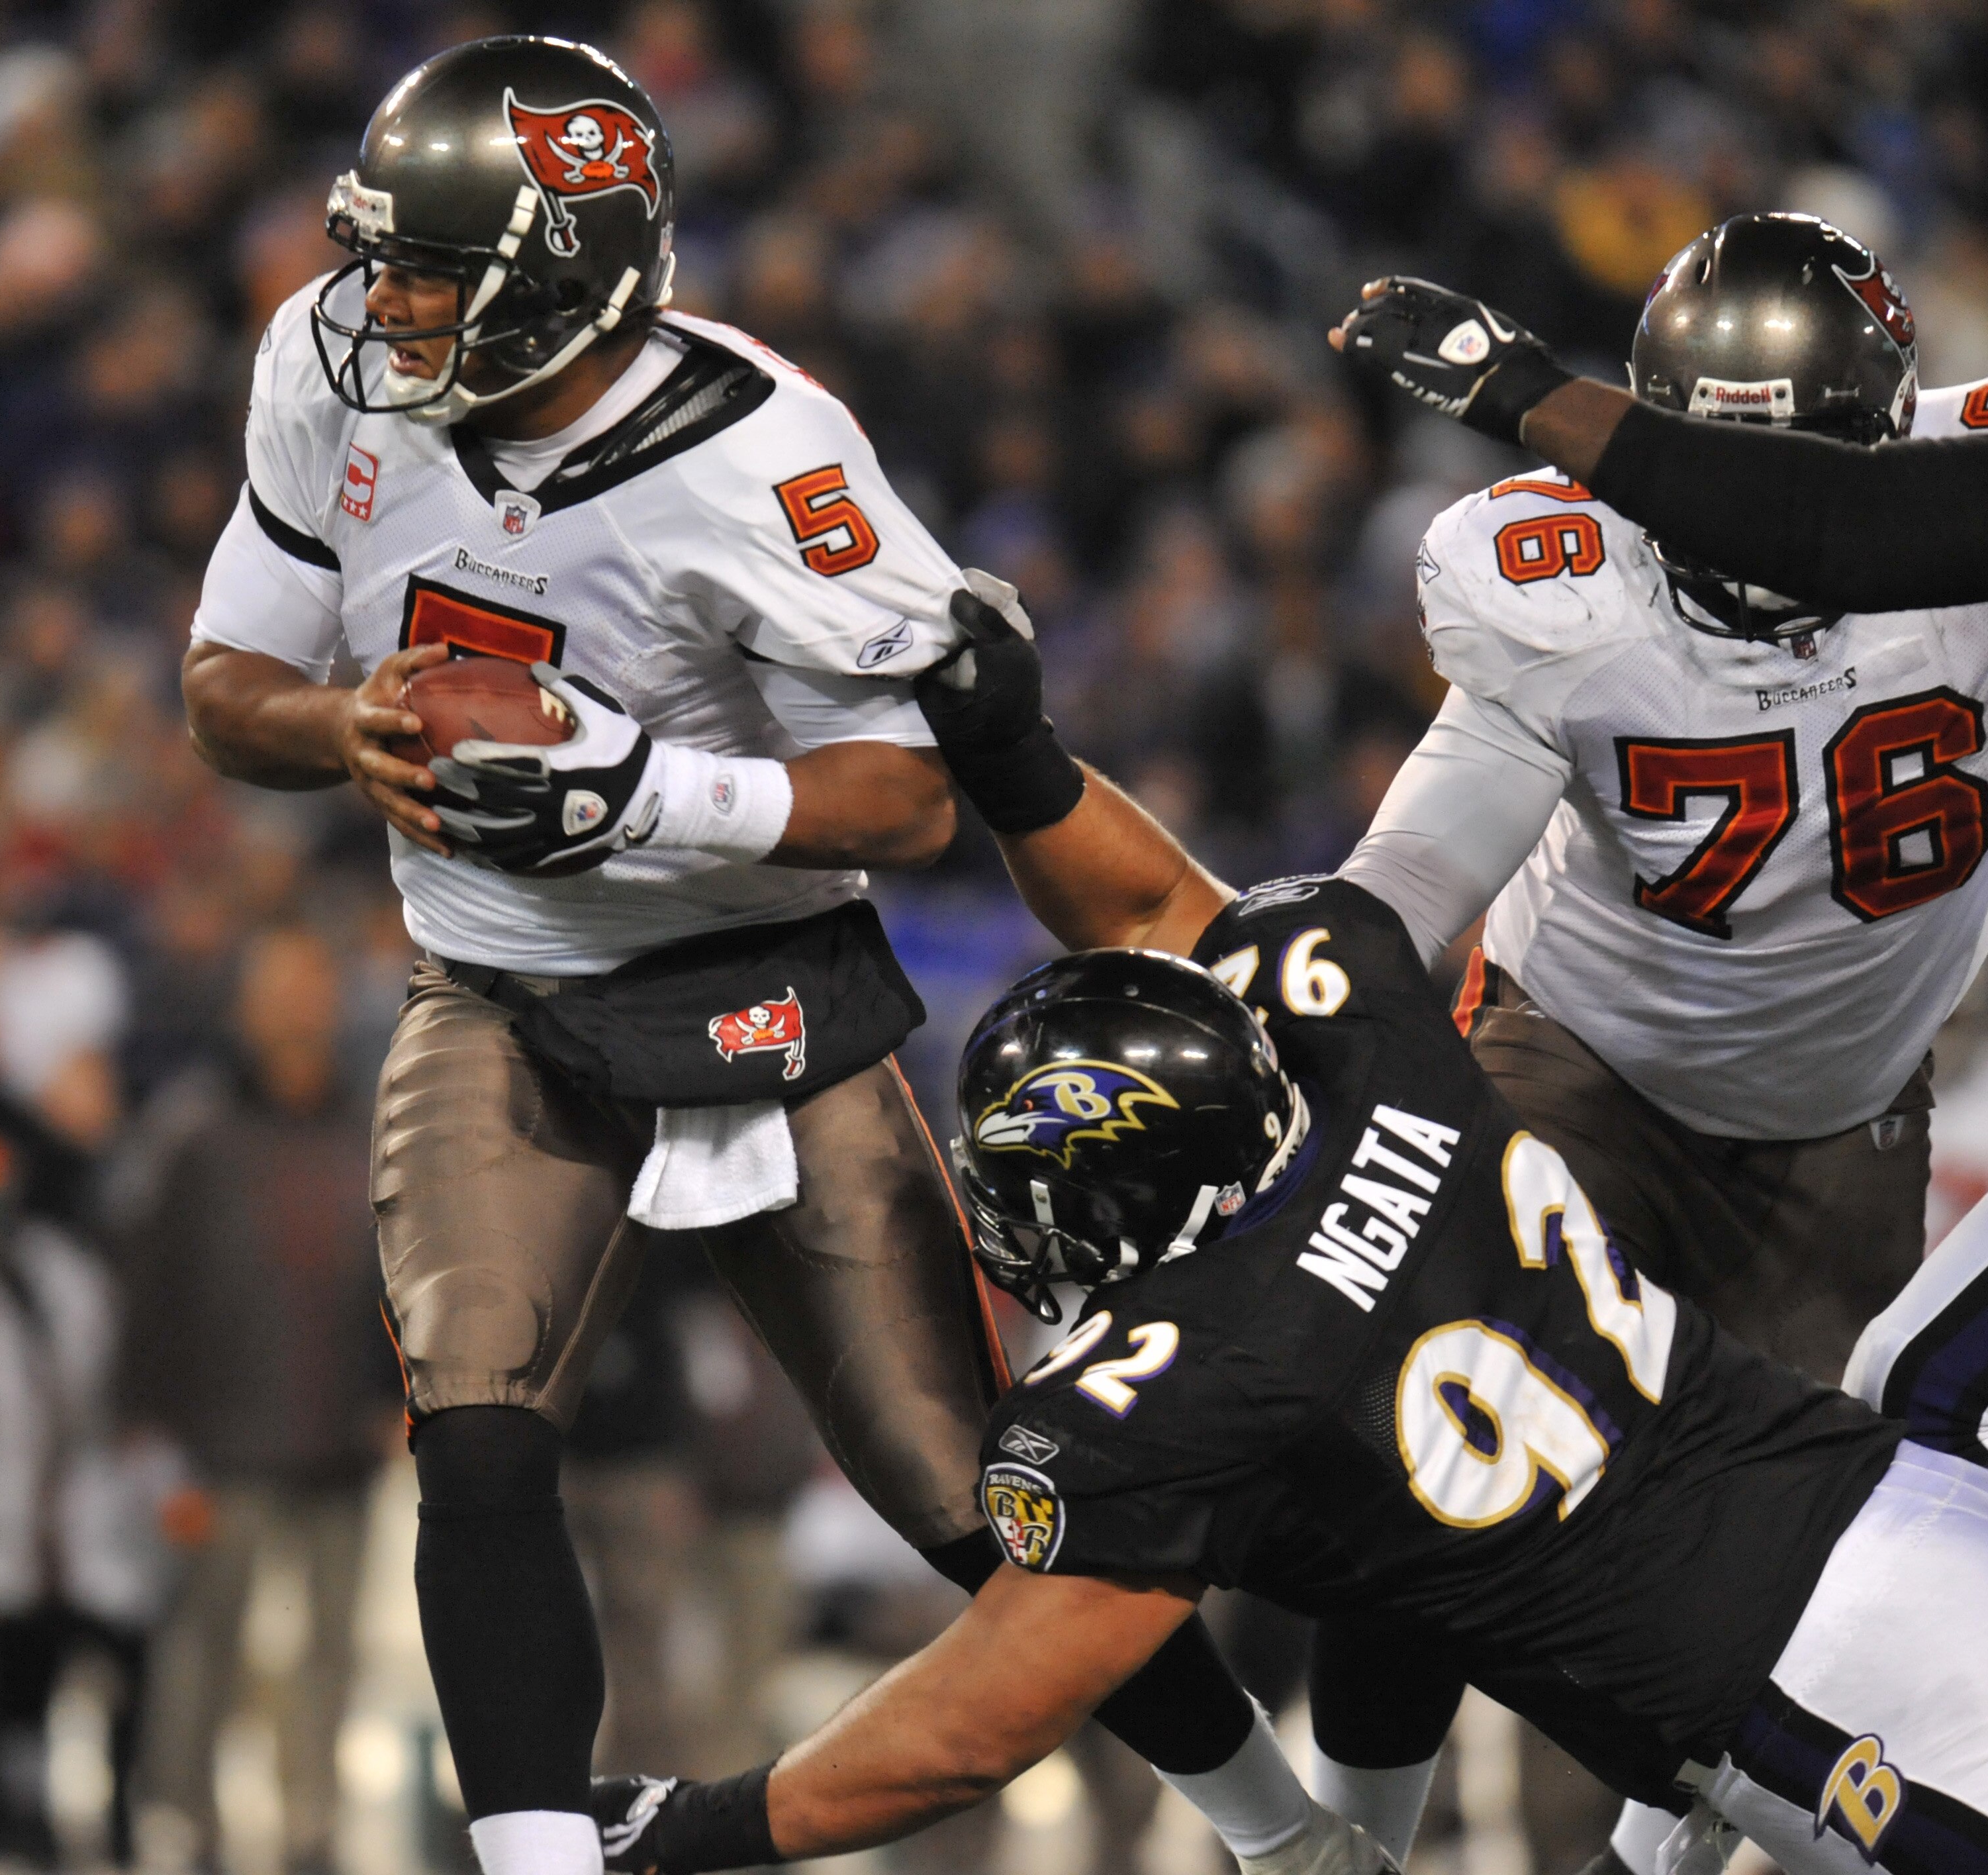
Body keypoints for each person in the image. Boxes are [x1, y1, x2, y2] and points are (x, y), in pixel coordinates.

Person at [583, 598, 1988, 1875]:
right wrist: (1014, 759)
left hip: (1853, 1694)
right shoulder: (1361, 1049)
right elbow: (1162, 912)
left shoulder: (1191, 1385)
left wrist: (698, 1826)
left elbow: (973, 1721)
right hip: (1934, 1524)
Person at [174, 38, 1285, 1875]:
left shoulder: (765, 456)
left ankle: (1276, 1832)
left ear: (568, 273)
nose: (389, 304)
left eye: (437, 268)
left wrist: (640, 791)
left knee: (958, 1487)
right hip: (502, 988)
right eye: (385, 257)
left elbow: (915, 804)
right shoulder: (329, 360)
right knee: (475, 1413)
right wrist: (338, 730)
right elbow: (226, 686)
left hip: (757, 993)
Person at [1334, 4, 1988, 1852]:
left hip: (1848, 1125)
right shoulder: (1553, 572)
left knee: (1832, 1548)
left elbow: (1856, 532)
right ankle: (1344, 1853)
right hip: (1586, 1068)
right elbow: (1431, 852)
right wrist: (1347, 956)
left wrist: (1533, 386)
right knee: (1433, 1455)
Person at [107, 925, 401, 1875]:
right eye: (277, 989)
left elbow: (404, 1278)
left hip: (338, 1442)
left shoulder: (374, 1125)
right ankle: (185, 1825)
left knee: (327, 1657)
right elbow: (149, 1286)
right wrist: (145, 1429)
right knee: (204, 1651)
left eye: (312, 986)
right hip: (219, 1440)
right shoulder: (195, 1132)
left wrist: (397, 1393)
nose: (296, 1009)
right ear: (243, 1006)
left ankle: (310, 1828)